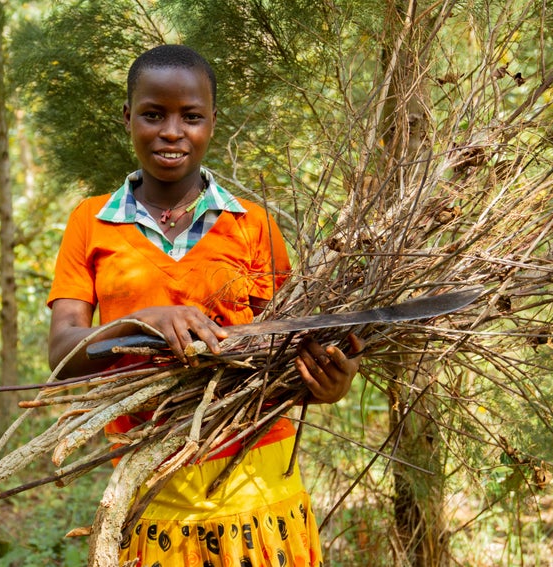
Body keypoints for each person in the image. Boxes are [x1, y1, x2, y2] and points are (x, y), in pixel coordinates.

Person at [47, 44, 363, 567]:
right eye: (153, 114)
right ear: (128, 118)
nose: (172, 131)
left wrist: (328, 385)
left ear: (212, 122)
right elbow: (61, 355)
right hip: (149, 484)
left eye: (191, 116)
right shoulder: (90, 222)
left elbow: (286, 352)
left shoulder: (253, 226)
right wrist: (142, 321)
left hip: (256, 482)